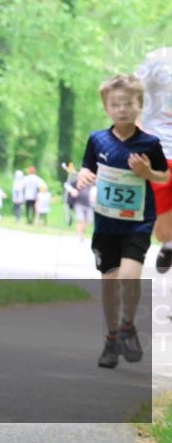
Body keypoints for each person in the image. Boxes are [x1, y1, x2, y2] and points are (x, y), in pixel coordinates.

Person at [76, 75, 168, 369]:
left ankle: (128, 326)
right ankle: (111, 338)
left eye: (129, 104)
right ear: (107, 107)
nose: (122, 110)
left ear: (139, 105)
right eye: (116, 105)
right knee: (109, 284)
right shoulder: (97, 140)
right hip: (106, 223)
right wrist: (82, 177)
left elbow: (164, 176)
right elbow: (86, 169)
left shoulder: (149, 143)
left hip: (137, 222)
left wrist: (147, 172)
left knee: (130, 276)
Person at [137, 49, 172, 273]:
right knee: (163, 228)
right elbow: (133, 91)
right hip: (162, 151)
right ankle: (168, 243)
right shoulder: (156, 60)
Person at [65, 174, 93, 241]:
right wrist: (72, 190)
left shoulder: (91, 182)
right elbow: (66, 185)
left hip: (88, 205)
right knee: (80, 219)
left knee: (90, 220)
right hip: (78, 204)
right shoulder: (77, 181)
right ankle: (80, 235)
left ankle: (80, 231)